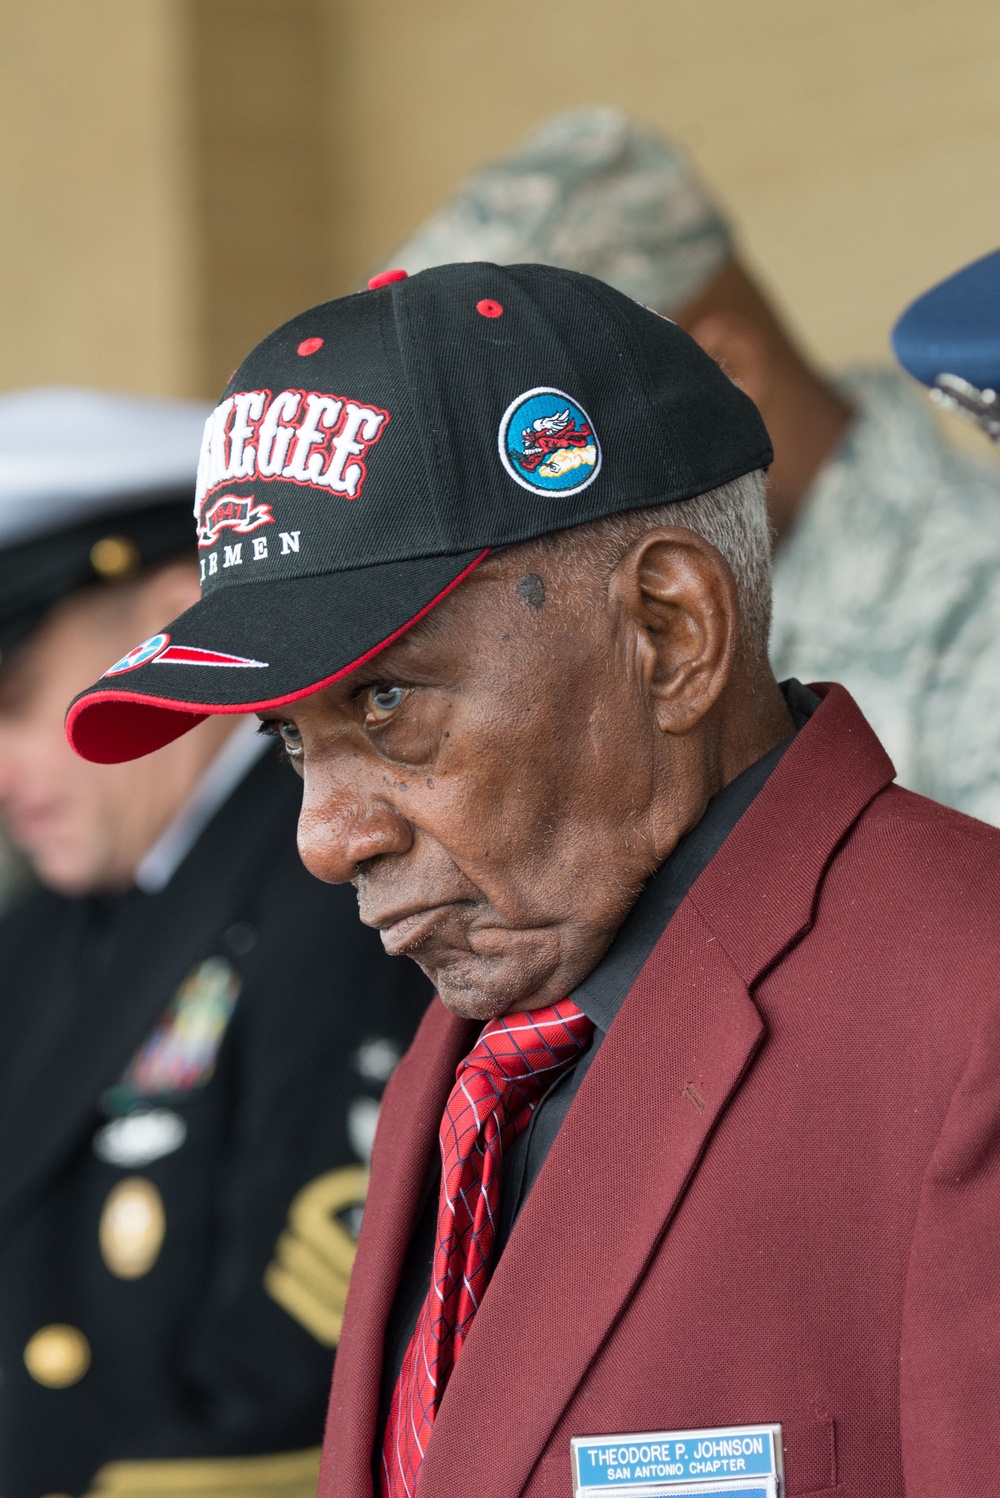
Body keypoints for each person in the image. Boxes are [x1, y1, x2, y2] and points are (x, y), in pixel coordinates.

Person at [66, 264, 1000, 1497]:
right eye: (290, 741)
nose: (324, 837)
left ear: (669, 631)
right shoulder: (482, 1047)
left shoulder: (966, 1011)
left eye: (387, 701)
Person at [0, 388, 431, 1498]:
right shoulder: (61, 914)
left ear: (175, 625)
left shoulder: (340, 887)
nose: (2, 773)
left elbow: (294, 1381)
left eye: (14, 700)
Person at [378, 107, 1000, 825]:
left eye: (553, 453)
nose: (520, 517)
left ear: (725, 376)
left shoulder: (977, 606)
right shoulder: (622, 611)